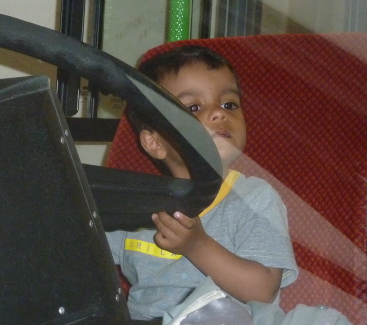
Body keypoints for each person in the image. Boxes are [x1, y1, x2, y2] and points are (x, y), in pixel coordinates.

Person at [107, 45, 298, 322]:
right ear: (154, 142)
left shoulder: (255, 198)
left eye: (229, 104)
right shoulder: (139, 202)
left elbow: (263, 290)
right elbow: (81, 257)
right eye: (194, 107)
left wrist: (197, 246)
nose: (219, 114)